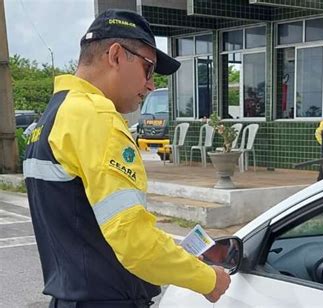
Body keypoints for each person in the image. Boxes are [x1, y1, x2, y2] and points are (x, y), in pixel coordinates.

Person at [23, 9, 230, 307]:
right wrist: (208, 279)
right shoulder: (97, 117)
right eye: (148, 69)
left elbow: (92, 224)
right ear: (117, 55)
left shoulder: (51, 118)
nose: (151, 84)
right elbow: (134, 242)